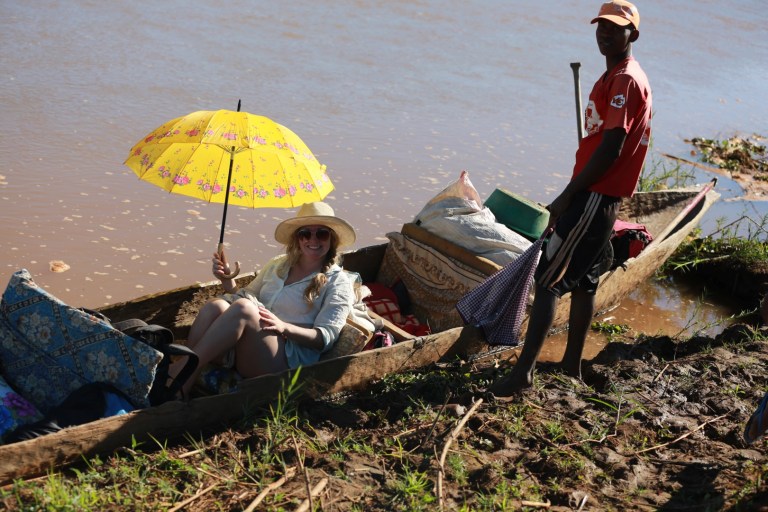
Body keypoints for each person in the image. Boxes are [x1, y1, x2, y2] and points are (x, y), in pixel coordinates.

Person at [489, 0, 652, 395]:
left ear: (633, 34)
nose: (605, 33)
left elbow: (612, 147)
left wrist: (567, 195)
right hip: (601, 196)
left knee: (548, 281)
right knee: (587, 283)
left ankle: (522, 374)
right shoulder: (615, 74)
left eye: (615, 28)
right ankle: (572, 364)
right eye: (601, 26)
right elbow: (604, 139)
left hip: (594, 195)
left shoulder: (625, 80)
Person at [171, 201, 358, 397]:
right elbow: (243, 298)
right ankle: (188, 373)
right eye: (305, 233)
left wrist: (284, 327)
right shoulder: (279, 265)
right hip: (254, 344)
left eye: (322, 233)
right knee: (215, 306)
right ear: (297, 238)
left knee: (244, 308)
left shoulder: (338, 282)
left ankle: (181, 375)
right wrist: (227, 278)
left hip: (285, 361)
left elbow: (324, 338)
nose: (313, 240)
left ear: (332, 239)